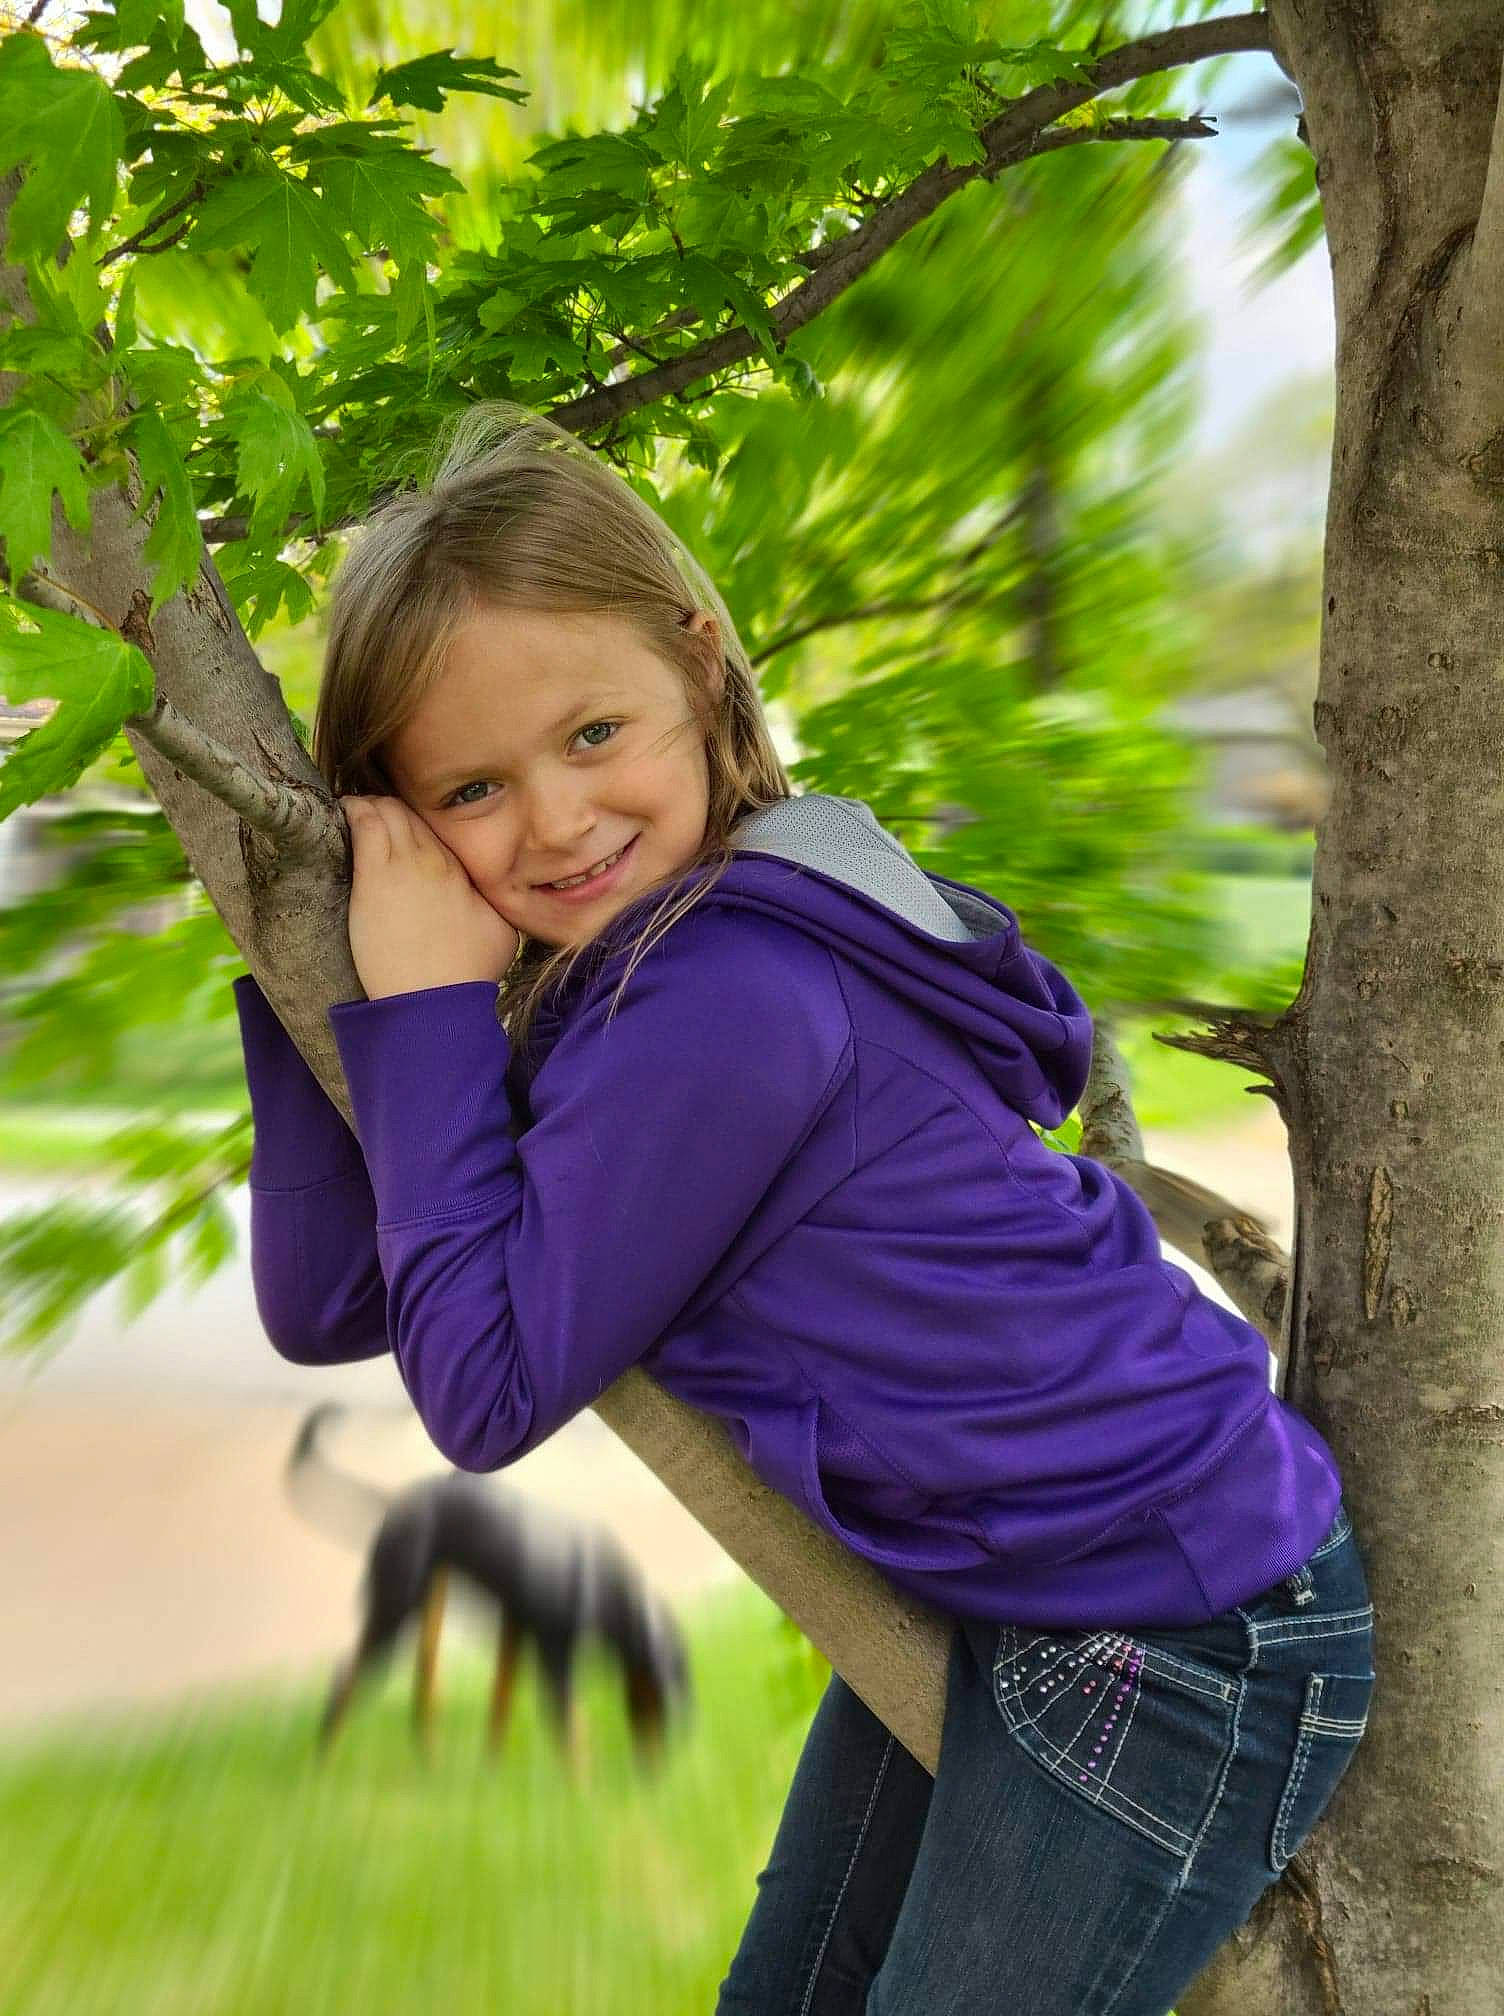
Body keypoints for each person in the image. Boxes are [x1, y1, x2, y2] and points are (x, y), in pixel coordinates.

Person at [231, 399, 1376, 2014]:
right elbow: (339, 1299)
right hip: (1017, 1582)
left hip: (1173, 1628)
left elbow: (479, 1390)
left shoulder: (730, 995)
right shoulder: (653, 956)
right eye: (472, 792)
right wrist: (322, 985)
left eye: (590, 737)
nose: (556, 822)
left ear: (702, 665)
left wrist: (423, 1021)